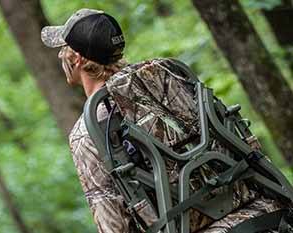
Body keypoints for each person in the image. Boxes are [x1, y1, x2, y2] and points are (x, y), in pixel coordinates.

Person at [41, 8, 283, 233]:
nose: (61, 55)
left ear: (78, 59)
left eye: (64, 49)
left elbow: (113, 221)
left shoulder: (89, 130)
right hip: (268, 212)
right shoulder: (171, 79)